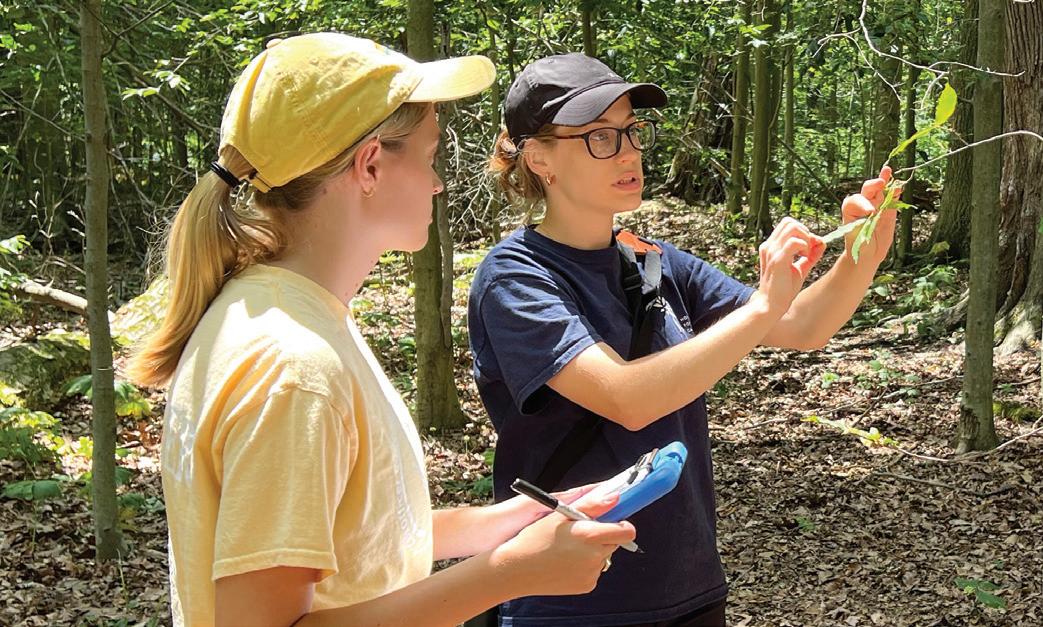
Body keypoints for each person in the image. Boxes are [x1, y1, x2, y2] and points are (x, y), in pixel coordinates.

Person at [128, 35, 636, 627]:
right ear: (370, 165)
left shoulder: (286, 315)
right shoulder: (293, 367)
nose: (437, 183)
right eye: (429, 157)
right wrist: (511, 573)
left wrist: (509, 522)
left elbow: (352, 539)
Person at [470, 52, 899, 626]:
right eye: (599, 137)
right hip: (572, 601)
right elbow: (627, 398)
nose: (628, 152)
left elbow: (802, 327)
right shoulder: (515, 277)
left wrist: (861, 256)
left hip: (689, 587)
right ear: (539, 157)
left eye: (631, 131)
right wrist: (765, 304)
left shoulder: (651, 261)